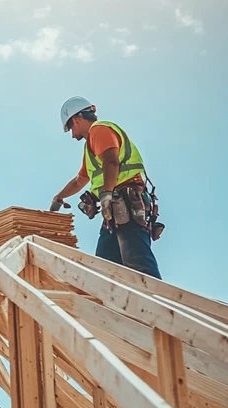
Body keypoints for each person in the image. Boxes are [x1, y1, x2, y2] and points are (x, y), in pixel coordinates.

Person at [49, 96, 164, 279]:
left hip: (126, 202)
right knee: (104, 268)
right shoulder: (91, 146)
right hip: (114, 209)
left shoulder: (99, 130)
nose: (72, 134)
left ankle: (159, 304)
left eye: (71, 127)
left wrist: (106, 195)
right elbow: (80, 179)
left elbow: (111, 162)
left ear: (77, 119)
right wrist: (59, 198)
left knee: (137, 262)